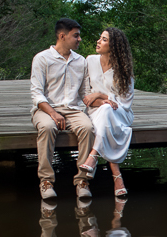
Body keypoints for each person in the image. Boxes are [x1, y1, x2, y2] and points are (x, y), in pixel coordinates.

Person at [30, 17, 95, 200]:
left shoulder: (81, 61)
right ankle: (46, 181)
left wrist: (103, 101)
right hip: (46, 109)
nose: (79, 39)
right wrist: (53, 113)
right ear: (62, 36)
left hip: (72, 110)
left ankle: (82, 180)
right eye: (76, 36)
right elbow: (36, 94)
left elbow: (85, 93)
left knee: (88, 128)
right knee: (47, 127)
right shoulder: (42, 58)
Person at [79, 27, 136, 199]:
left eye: (104, 39)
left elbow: (124, 103)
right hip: (95, 110)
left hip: (121, 114)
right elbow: (86, 97)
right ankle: (116, 176)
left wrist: (101, 95)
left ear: (114, 46)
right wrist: (101, 100)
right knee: (104, 110)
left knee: (107, 110)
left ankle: (93, 155)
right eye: (100, 38)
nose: (98, 41)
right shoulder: (90, 61)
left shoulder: (124, 70)